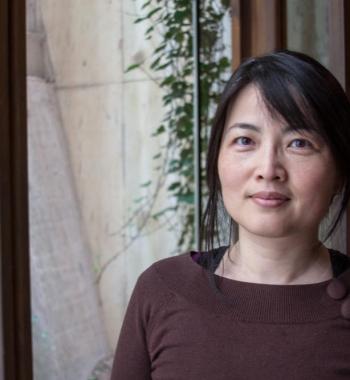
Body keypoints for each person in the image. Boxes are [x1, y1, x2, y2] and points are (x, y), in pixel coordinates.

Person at [110, 50, 350, 380]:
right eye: (244, 140)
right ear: (217, 159)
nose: (268, 169)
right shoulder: (162, 290)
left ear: (339, 172)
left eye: (299, 143)